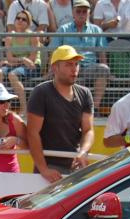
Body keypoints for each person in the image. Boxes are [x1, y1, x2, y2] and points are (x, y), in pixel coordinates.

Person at [27, 45, 94, 181]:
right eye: (69, 64)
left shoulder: (85, 93)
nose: (74, 68)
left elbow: (88, 130)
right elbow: (32, 133)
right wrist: (44, 169)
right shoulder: (41, 92)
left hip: (75, 167)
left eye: (76, 64)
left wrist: (83, 152)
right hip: (49, 169)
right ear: (54, 68)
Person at [54, 0, 109, 112]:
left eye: (84, 11)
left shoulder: (96, 30)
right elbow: (54, 51)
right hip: (69, 66)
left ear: (89, 13)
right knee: (68, 74)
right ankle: (74, 109)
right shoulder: (63, 29)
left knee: (104, 69)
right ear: (73, 13)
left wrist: (107, 69)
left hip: (90, 67)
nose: (81, 14)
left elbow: (102, 53)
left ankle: (95, 108)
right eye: (78, 11)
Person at [0, 10, 41, 115]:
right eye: (18, 18)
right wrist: (22, 60)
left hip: (33, 67)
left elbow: (32, 60)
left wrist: (14, 62)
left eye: (24, 19)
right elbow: (10, 58)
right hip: (17, 64)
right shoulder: (9, 37)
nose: (20, 21)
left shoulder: (33, 36)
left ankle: (24, 108)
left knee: (12, 74)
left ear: (28, 23)